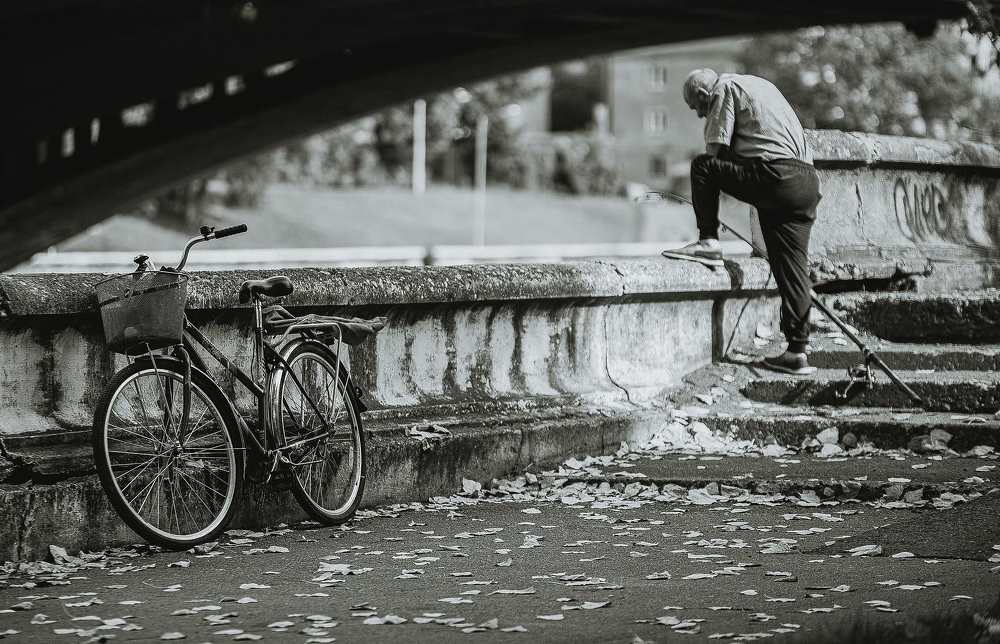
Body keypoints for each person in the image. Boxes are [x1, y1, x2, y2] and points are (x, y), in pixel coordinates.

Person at [662, 69, 822, 376]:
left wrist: (709, 208)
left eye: (698, 108)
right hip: (805, 182)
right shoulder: (761, 86)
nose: (699, 116)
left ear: (703, 94)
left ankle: (708, 242)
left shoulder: (725, 87)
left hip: (776, 177)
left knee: (703, 167)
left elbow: (715, 152)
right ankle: (797, 352)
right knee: (792, 268)